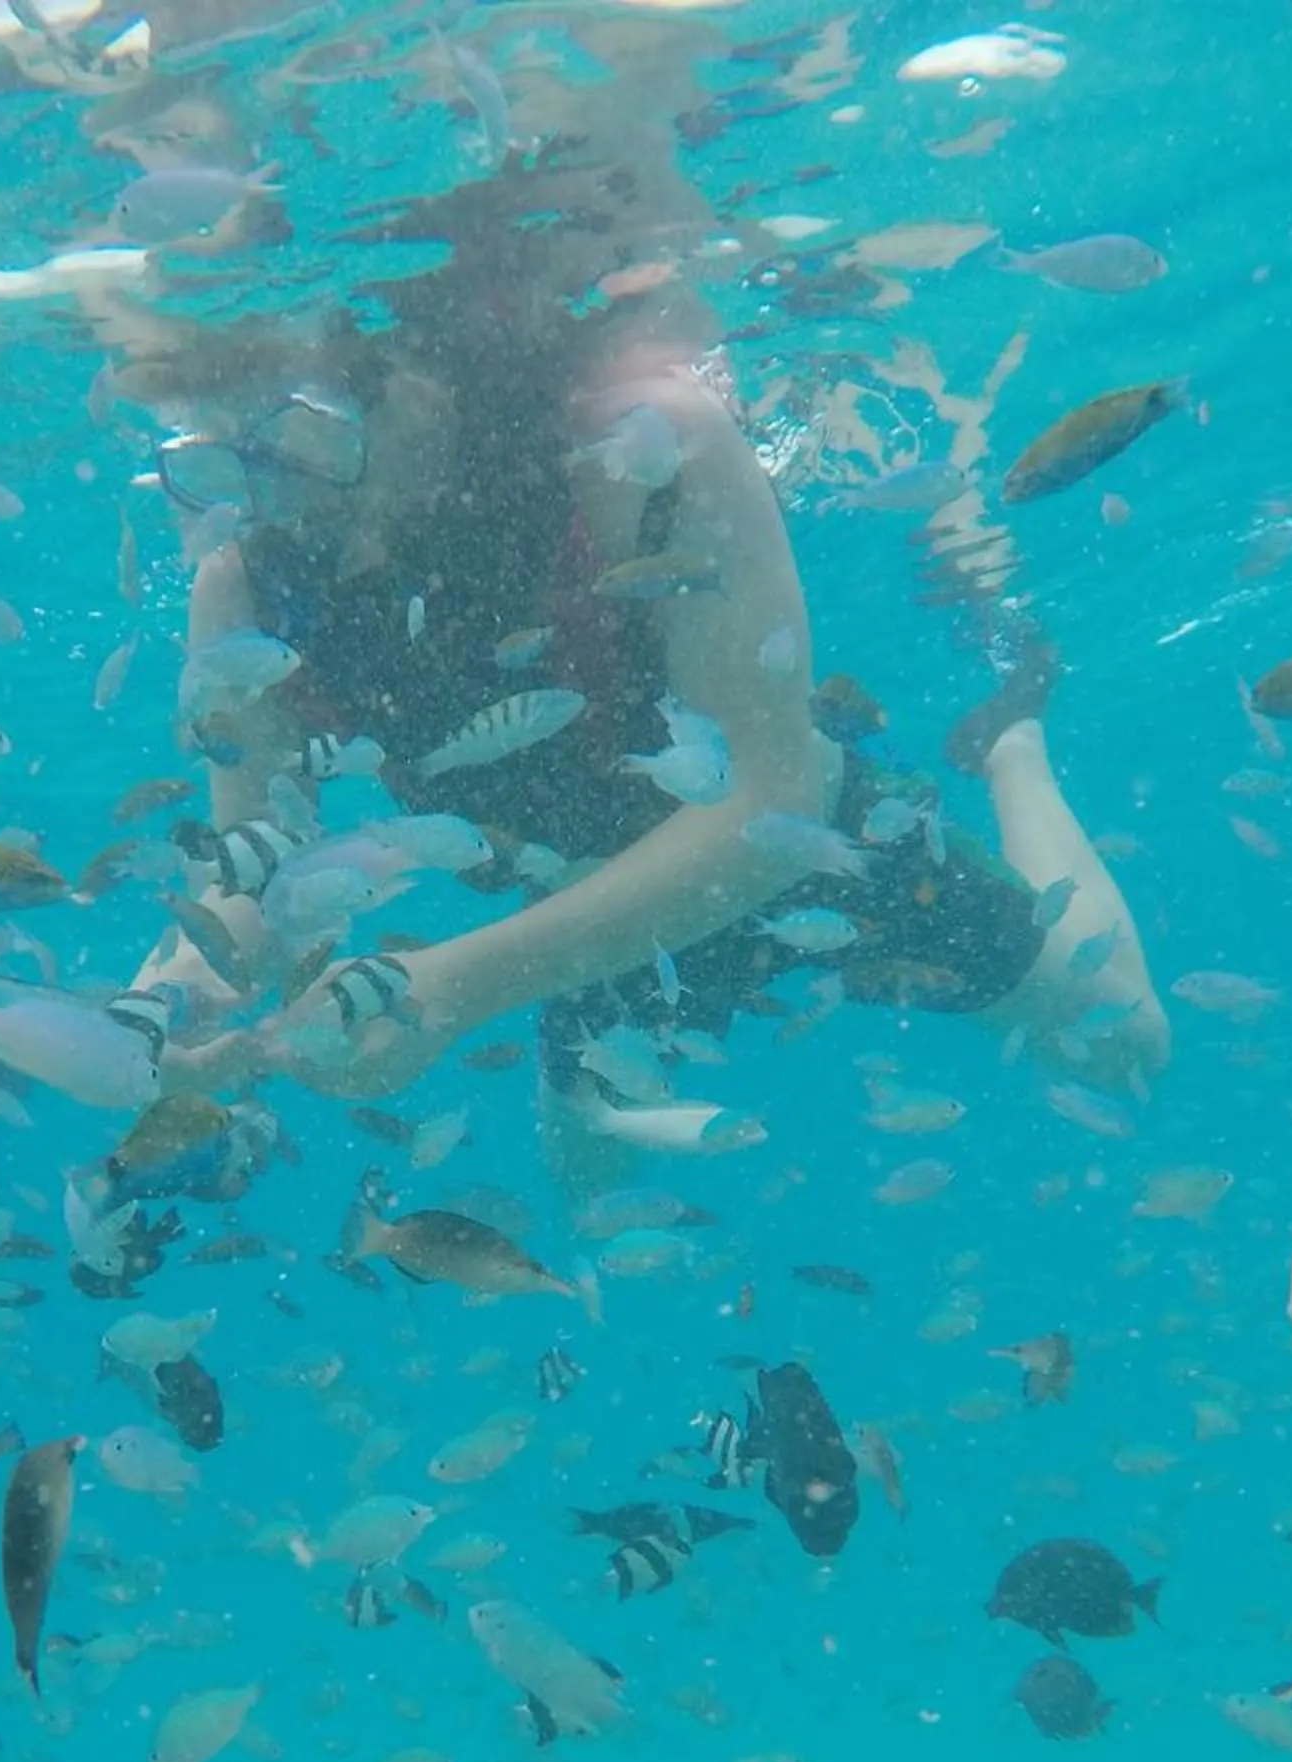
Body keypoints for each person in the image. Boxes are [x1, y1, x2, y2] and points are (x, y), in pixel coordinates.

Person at [90, 22, 1168, 1119]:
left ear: (423, 367)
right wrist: (170, 1005)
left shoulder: (646, 452)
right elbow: (257, 872)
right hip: (593, 910)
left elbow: (773, 791)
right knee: (597, 1178)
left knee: (1119, 1035)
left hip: (799, 856)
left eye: (311, 435)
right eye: (224, 458)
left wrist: (457, 987)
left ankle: (1013, 749)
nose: (288, 495)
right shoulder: (249, 577)